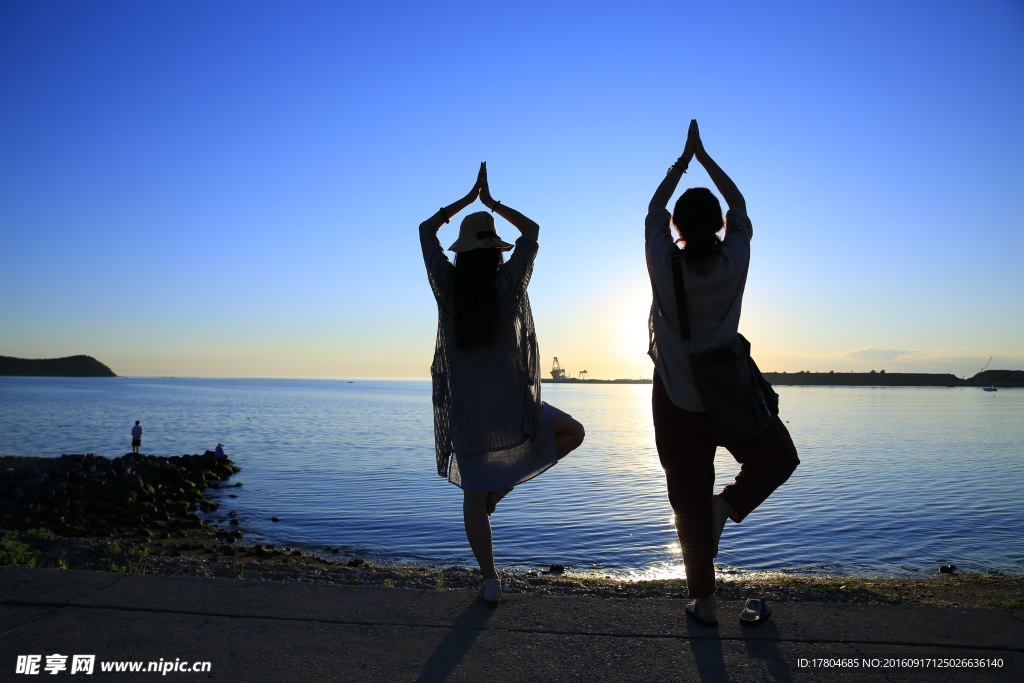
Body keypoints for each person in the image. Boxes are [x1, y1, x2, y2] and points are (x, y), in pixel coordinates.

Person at [646, 120, 799, 627]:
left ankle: (705, 603)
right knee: (778, 458)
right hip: (729, 396)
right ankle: (727, 506)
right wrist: (706, 158)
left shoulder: (664, 262)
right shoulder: (735, 258)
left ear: (677, 229)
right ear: (718, 227)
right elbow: (740, 206)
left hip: (675, 401)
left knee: (687, 497)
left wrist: (679, 163)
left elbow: (652, 211)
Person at [421, 162, 585, 605]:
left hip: (470, 418)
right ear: (496, 252)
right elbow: (532, 231)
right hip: (514, 412)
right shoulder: (508, 286)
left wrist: (463, 202)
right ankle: (499, 492)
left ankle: (490, 580)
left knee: (474, 499)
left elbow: (424, 230)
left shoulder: (447, 288)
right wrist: (491, 202)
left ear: (460, 254)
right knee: (574, 432)